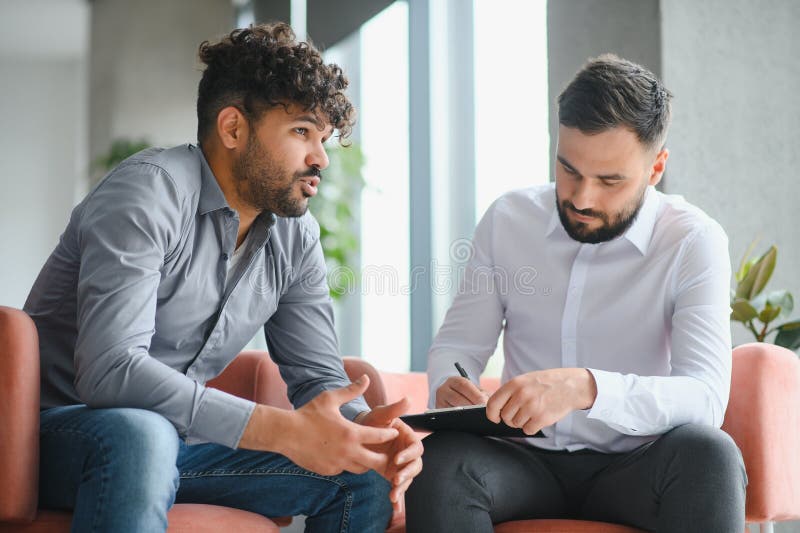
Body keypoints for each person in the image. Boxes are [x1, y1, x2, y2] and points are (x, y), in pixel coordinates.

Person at [24, 23, 422, 533]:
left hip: (170, 442)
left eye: (324, 139)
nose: (321, 158)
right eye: (302, 131)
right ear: (233, 129)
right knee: (142, 435)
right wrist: (277, 428)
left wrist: (364, 430)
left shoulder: (296, 236)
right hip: (54, 435)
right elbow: (110, 370)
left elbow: (317, 378)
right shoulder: (149, 193)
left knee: (360, 475)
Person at [405, 54, 745, 532]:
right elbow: (458, 345)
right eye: (569, 169)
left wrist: (586, 388)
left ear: (656, 168)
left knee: (710, 455)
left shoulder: (693, 240)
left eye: (610, 181)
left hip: (638, 466)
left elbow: (704, 398)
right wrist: (450, 383)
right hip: (524, 462)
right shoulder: (507, 220)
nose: (582, 198)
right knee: (441, 462)